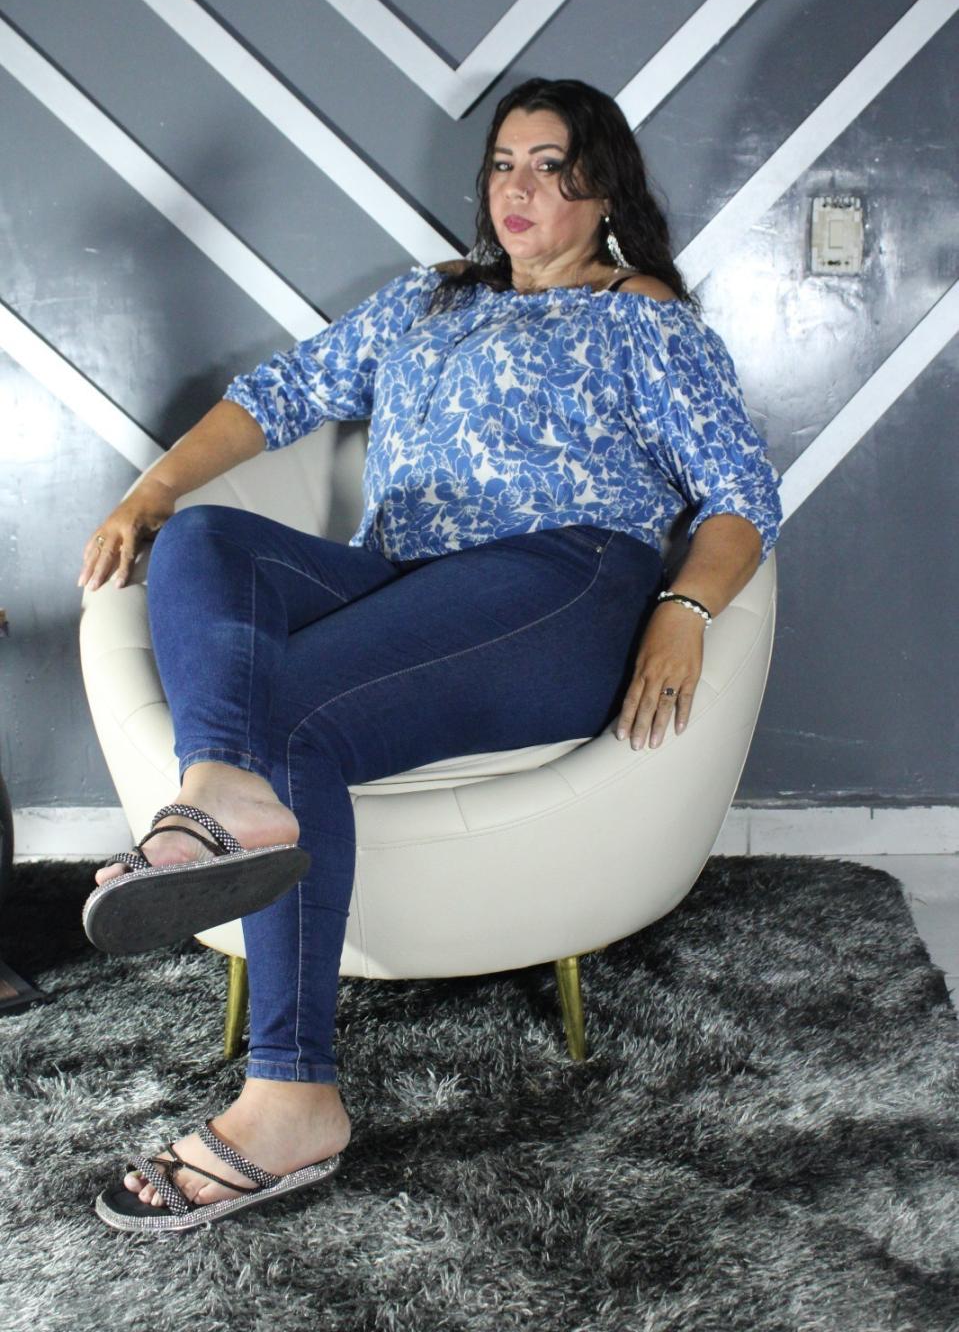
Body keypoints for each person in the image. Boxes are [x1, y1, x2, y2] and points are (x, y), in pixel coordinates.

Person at [78, 76, 781, 1232]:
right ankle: (221, 795)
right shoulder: (427, 300)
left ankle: (288, 1095)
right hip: (403, 576)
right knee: (202, 541)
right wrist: (152, 492)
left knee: (288, 717)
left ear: (603, 189)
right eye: (503, 163)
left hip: (557, 585)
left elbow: (739, 492)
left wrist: (684, 609)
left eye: (549, 165)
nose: (518, 187)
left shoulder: (641, 317)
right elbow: (280, 394)